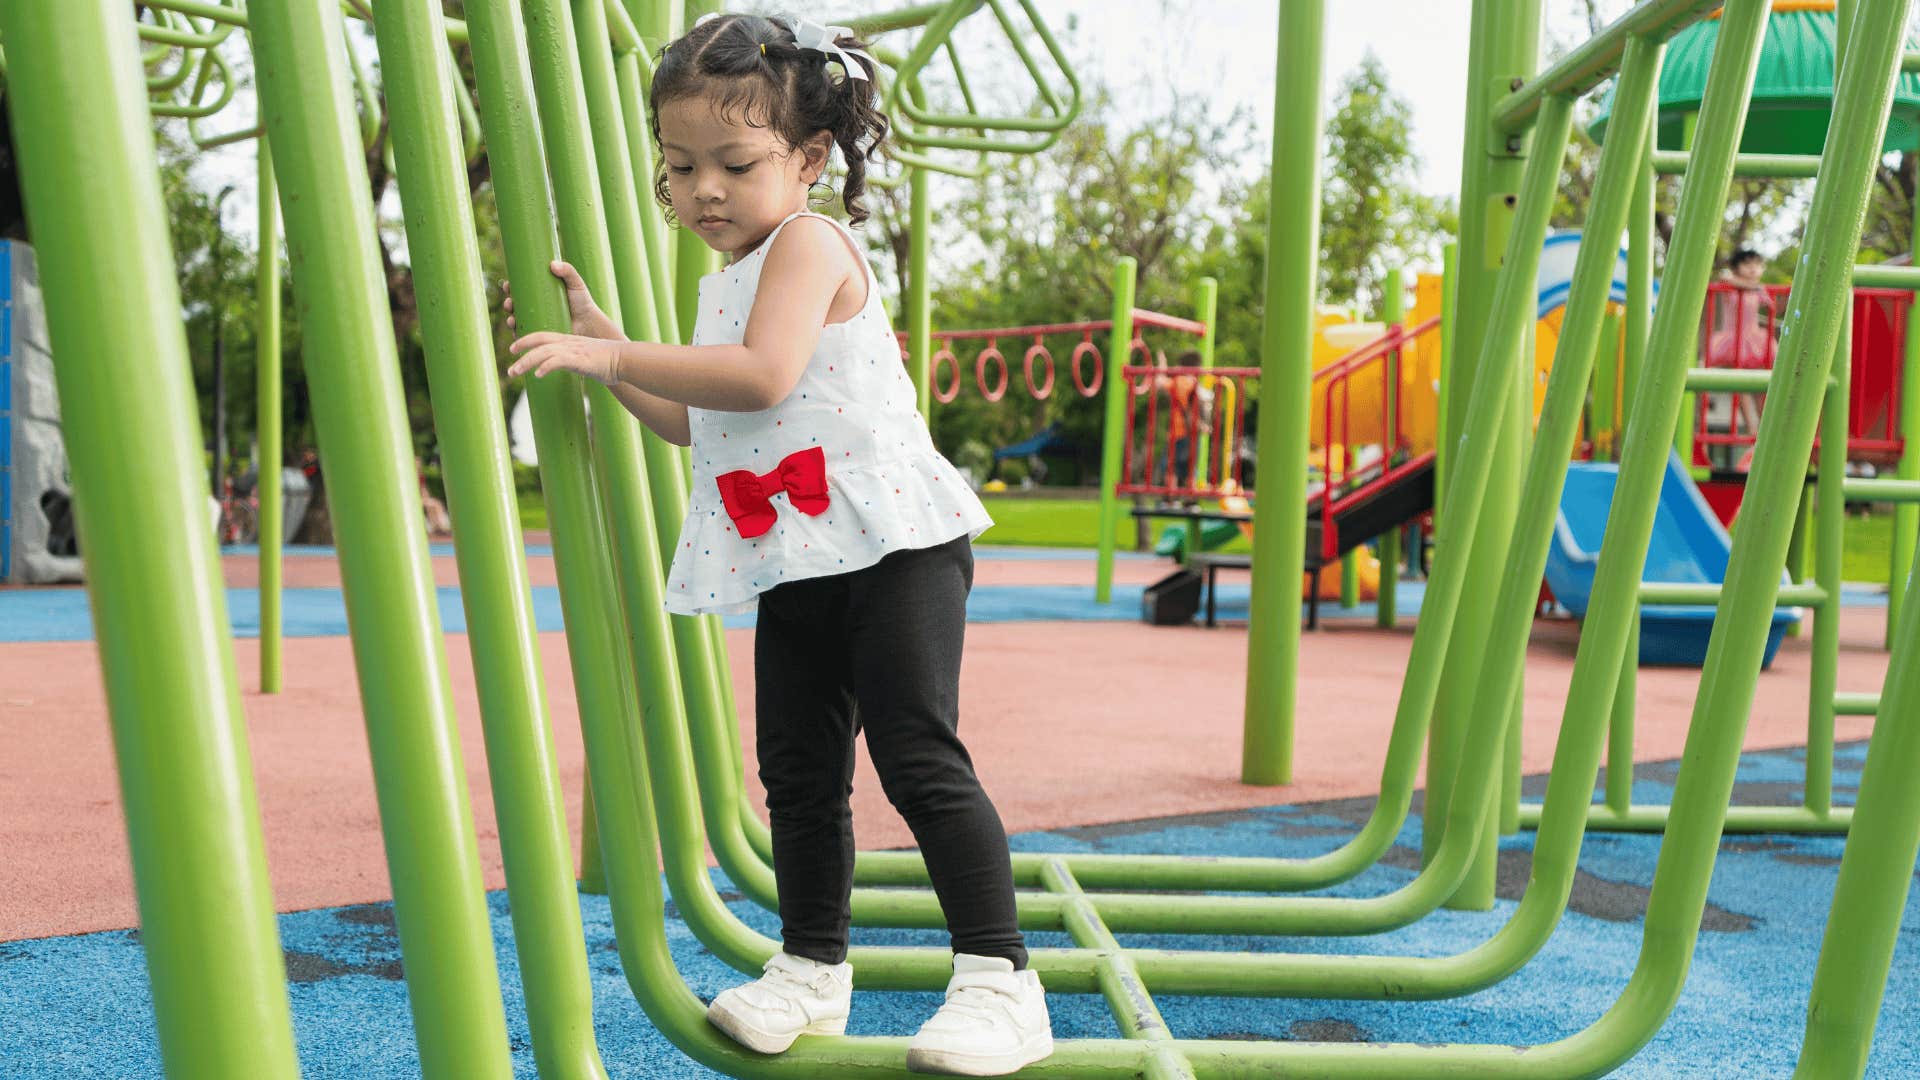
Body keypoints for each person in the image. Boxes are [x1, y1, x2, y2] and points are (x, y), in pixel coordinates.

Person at [501, 13, 1050, 1076]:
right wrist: (614, 355)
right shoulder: (727, 279)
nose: (704, 189)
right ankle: (811, 969)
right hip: (797, 553)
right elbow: (700, 422)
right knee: (797, 774)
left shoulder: (808, 243)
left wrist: (612, 354)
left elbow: (761, 377)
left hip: (893, 546)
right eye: (680, 166)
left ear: (807, 158)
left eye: (735, 163)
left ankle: (1000, 979)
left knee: (916, 755)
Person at [1709, 248, 1777, 447]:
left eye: (1757, 265)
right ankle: (1750, 427)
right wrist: (1751, 286)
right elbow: (1724, 278)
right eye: (1747, 265)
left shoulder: (1758, 288)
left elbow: (1771, 306)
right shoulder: (1732, 284)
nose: (1753, 269)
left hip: (1754, 339)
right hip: (1733, 338)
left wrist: (1757, 289)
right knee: (1741, 385)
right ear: (1736, 267)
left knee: (1761, 385)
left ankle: (1765, 425)